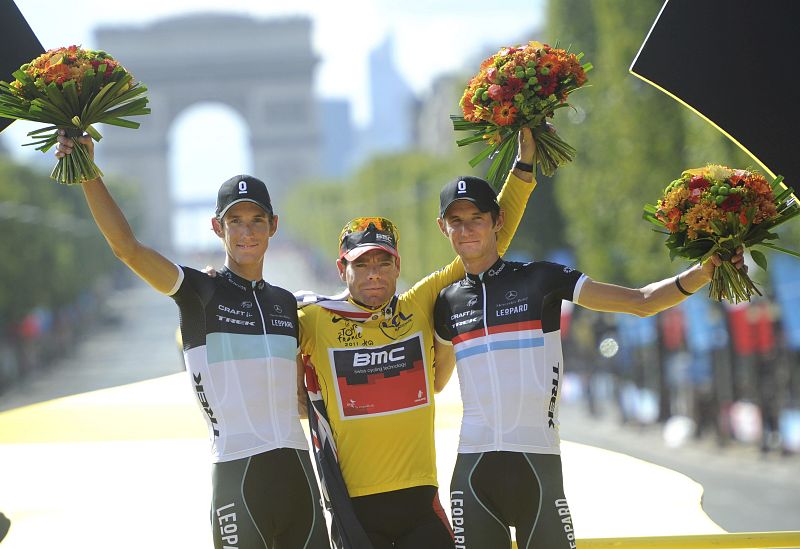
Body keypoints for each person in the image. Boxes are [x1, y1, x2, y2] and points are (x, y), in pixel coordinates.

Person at [431, 176, 746, 549]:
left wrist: (702, 273)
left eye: (476, 218)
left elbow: (641, 301)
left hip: (538, 467)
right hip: (472, 473)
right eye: (456, 221)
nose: (466, 229)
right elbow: (436, 382)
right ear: (443, 228)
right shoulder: (446, 302)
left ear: (498, 220)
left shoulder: (541, 279)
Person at [55, 132, 330, 549]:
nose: (247, 232)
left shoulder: (286, 303)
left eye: (257, 220)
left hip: (299, 473)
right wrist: (88, 172)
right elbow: (126, 249)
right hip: (239, 478)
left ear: (274, 225)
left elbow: (298, 397)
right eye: (235, 220)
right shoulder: (199, 292)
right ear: (217, 226)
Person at [295, 129, 539, 548]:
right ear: (342, 270)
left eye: (382, 263)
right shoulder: (315, 318)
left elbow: (487, 243)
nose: (373, 274)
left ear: (397, 265)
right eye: (361, 264)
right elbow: (252, 330)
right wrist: (220, 289)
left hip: (420, 502)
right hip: (354, 508)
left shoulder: (419, 303)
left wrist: (524, 167)